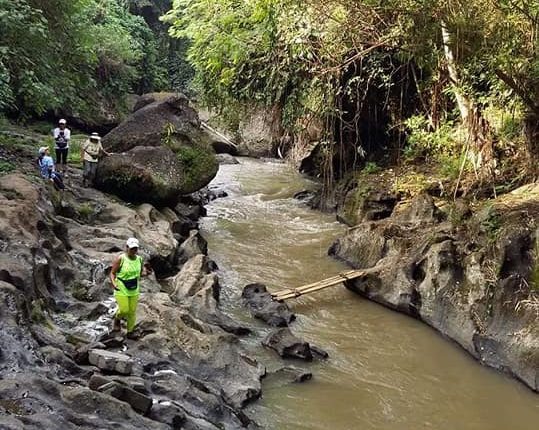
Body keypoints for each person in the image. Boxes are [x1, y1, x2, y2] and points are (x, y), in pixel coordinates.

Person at [109, 238, 152, 336]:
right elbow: (112, 273)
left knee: (132, 311)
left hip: (134, 287)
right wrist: (114, 284)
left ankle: (130, 332)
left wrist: (147, 273)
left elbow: (140, 274)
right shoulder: (121, 259)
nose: (133, 251)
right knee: (124, 310)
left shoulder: (139, 259)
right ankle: (117, 319)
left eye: (135, 249)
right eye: (131, 248)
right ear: (127, 247)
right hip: (121, 286)